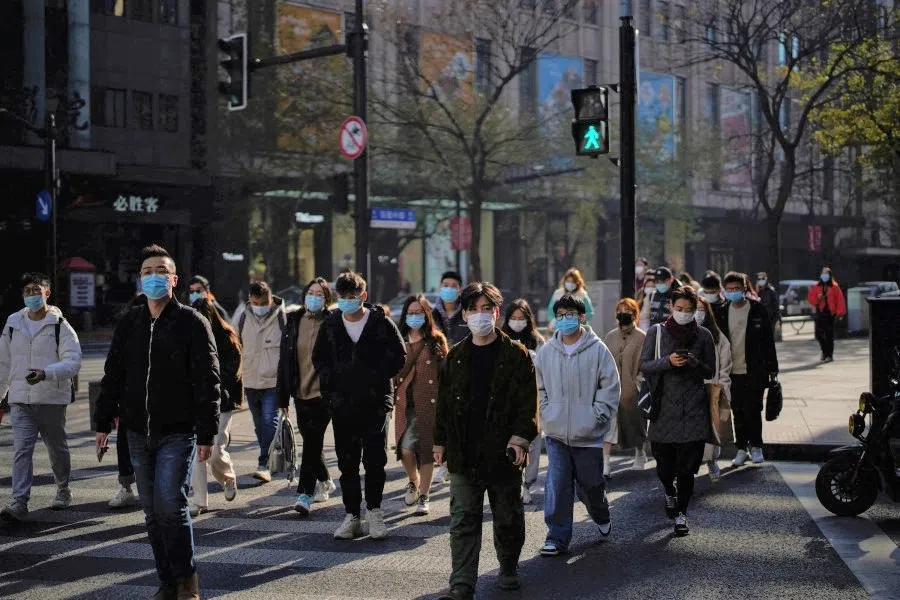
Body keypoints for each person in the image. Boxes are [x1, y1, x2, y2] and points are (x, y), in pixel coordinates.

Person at [95, 244, 220, 600]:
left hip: (177, 432)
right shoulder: (130, 322)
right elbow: (113, 374)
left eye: (161, 271)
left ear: (174, 280)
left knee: (170, 506)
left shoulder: (192, 322)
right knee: (151, 513)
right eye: (147, 272)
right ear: (140, 279)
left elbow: (209, 380)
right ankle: (167, 581)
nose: (154, 277)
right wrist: (103, 422)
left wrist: (207, 432)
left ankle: (187, 582)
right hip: (137, 431)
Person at [433, 282, 538, 600]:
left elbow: (527, 404)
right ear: (464, 315)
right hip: (464, 452)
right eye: (473, 309)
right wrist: (440, 442)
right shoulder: (456, 356)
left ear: (497, 312)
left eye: (486, 309)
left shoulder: (516, 355)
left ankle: (508, 567)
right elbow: (444, 403)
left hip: (503, 452)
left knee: (507, 517)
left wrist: (520, 440)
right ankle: (462, 582)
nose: (480, 315)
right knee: (463, 519)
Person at [313, 271, 406, 540]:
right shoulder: (331, 324)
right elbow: (319, 359)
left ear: (363, 296)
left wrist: (374, 375)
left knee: (375, 460)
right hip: (342, 405)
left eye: (352, 296)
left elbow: (399, 355)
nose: (347, 301)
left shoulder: (380, 322)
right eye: (342, 297)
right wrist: (332, 391)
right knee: (347, 462)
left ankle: (374, 512)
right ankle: (352, 515)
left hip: (375, 403)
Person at [535, 294, 619, 556]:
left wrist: (597, 417)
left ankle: (601, 513)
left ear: (582, 317)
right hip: (556, 434)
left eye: (570, 315)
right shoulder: (547, 352)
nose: (565, 320)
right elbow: (539, 388)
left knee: (591, 486)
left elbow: (610, 387)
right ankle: (556, 536)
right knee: (558, 486)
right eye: (560, 315)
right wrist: (547, 413)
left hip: (589, 435)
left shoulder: (598, 350)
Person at [0, 272, 82, 521]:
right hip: (20, 400)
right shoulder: (13, 323)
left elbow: (73, 362)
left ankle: (63, 488)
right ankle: (19, 502)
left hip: (51, 399)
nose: (32, 295)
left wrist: (46, 373)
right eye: (28, 291)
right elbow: (3, 363)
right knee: (21, 450)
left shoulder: (60, 325)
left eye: (37, 290)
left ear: (47, 293)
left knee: (56, 448)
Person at [640, 286, 716, 537]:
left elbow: (710, 371)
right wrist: (668, 361)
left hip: (694, 411)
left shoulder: (703, 335)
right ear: (671, 306)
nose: (684, 313)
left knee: (688, 469)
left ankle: (681, 514)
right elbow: (645, 365)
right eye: (680, 308)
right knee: (665, 467)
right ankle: (668, 490)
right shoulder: (656, 332)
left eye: (689, 310)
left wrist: (694, 362)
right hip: (663, 410)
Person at [277, 278, 337, 517]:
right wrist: (282, 397)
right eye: (311, 292)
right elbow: (284, 360)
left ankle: (305, 494)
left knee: (312, 442)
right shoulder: (293, 320)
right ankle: (325, 478)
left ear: (327, 299)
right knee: (311, 441)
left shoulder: (333, 322)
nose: (314, 297)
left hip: (324, 394)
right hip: (300, 392)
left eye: (320, 294)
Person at [715, 272, 779, 467]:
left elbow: (768, 341)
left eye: (737, 288)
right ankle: (742, 448)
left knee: (754, 410)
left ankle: (756, 447)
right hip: (731, 372)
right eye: (729, 289)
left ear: (744, 288)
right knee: (738, 411)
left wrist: (773, 368)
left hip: (754, 371)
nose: (733, 292)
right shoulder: (722, 311)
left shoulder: (757, 309)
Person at [394, 295, 448, 516]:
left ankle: (424, 496)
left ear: (426, 315)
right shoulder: (398, 340)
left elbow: (445, 374)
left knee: (426, 451)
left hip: (429, 404)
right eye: (410, 313)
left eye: (419, 312)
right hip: (405, 404)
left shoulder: (436, 340)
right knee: (405, 449)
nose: (414, 317)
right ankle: (413, 481)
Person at [189, 298, 243, 517]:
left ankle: (228, 478)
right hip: (195, 403)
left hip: (222, 403)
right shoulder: (188, 338)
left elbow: (233, 373)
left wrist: (213, 386)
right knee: (197, 453)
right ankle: (199, 500)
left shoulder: (227, 339)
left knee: (214, 451)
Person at [233, 281, 286, 483]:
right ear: (250, 300)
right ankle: (273, 453)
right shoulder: (242, 316)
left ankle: (264, 463)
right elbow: (235, 346)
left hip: (273, 382)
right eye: (256, 303)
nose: (260, 306)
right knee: (259, 425)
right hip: (250, 381)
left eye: (264, 303)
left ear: (271, 299)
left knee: (269, 420)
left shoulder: (282, 317)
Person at [501, 298, 545, 503]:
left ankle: (528, 484)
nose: (517, 322)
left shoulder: (537, 341)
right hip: (508, 401)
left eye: (521, 318)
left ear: (528, 319)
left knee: (533, 444)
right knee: (509, 442)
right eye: (514, 318)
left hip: (533, 399)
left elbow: (546, 370)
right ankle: (513, 482)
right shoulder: (500, 339)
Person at [109, 294, 148, 510]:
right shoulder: (126, 331)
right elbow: (113, 372)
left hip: (160, 404)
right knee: (126, 445)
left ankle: (140, 489)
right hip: (129, 403)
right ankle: (127, 487)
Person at [604, 298, 648, 472]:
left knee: (636, 422)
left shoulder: (642, 337)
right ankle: (605, 462)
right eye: (620, 310)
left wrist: (638, 383)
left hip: (632, 389)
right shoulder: (610, 336)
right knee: (609, 425)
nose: (623, 313)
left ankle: (640, 452)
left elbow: (645, 363)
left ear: (635, 314)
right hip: (612, 389)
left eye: (627, 310)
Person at [695, 296, 734, 483]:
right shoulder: (682, 334)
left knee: (712, 427)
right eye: (695, 308)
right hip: (689, 387)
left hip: (712, 386)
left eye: (701, 309)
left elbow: (725, 364)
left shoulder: (717, 336)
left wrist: (723, 386)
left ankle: (711, 461)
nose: (697, 313)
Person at [807, 267, 846, 363]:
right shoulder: (817, 286)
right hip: (820, 312)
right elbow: (811, 298)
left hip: (830, 313)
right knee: (818, 334)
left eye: (826, 274)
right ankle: (824, 351)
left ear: (830, 275)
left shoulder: (834, 287)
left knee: (829, 334)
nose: (824, 275)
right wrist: (818, 298)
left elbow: (840, 300)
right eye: (823, 273)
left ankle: (829, 355)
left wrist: (840, 313)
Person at [433, 270, 468, 346]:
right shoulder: (432, 315)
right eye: (445, 285)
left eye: (454, 286)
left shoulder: (467, 314)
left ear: (460, 290)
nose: (449, 289)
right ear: (440, 288)